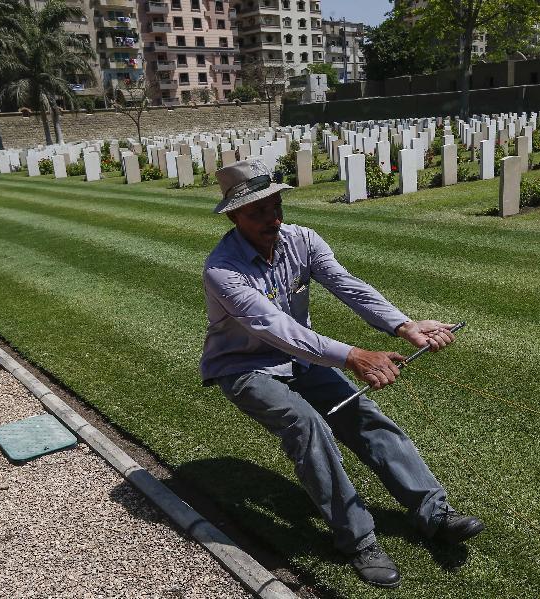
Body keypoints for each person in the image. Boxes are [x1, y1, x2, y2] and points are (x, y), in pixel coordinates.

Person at [201, 159, 484, 588]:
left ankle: (433, 512)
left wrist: (404, 325)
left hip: (301, 358)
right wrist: (354, 356)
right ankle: (357, 539)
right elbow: (278, 330)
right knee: (306, 424)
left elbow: (346, 285)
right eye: (257, 212)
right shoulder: (222, 270)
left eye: (275, 206)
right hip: (245, 367)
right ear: (234, 216)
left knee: (363, 415)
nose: (272, 219)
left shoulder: (302, 240)